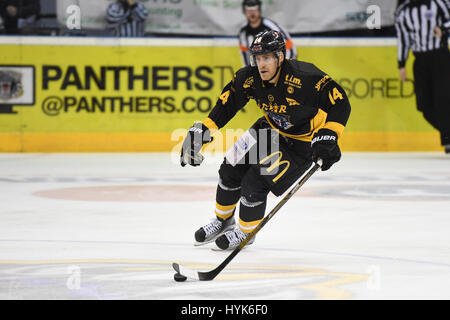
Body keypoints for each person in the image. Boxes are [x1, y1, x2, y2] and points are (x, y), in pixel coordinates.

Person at [180, 30, 351, 250]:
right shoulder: (249, 78)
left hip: (300, 145)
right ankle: (223, 221)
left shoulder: (304, 77)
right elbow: (227, 105)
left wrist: (329, 135)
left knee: (256, 182)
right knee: (230, 167)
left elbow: (340, 102)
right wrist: (202, 130)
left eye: (267, 58)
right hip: (269, 129)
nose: (261, 64)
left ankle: (246, 232)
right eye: (258, 58)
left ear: (280, 57)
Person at [395, 0, 450, 153]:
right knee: (424, 106)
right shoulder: (403, 10)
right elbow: (403, 38)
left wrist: (444, 29)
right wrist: (401, 64)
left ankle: (447, 139)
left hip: (440, 57)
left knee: (443, 101)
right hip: (419, 60)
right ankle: (448, 134)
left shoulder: (438, 2)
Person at [238, 0, 297, 67]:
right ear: (244, 12)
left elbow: (290, 49)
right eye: (248, 10)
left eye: (255, 10)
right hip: (259, 72)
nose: (252, 13)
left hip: (278, 69)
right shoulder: (243, 33)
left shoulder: (271, 27)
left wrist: (284, 68)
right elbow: (246, 57)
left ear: (259, 10)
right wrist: (249, 73)